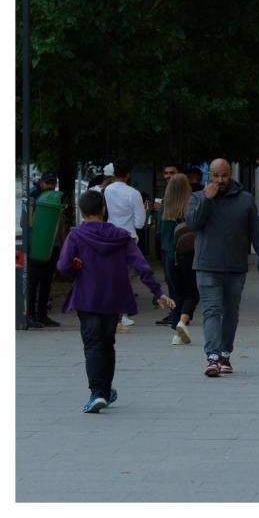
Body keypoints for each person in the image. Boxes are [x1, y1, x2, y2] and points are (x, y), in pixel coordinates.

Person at [57, 190, 175, 413]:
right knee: (107, 344)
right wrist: (158, 292)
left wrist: (76, 268)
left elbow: (63, 266)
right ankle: (106, 390)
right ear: (104, 210)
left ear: (82, 212)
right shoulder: (121, 236)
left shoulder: (76, 236)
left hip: (87, 297)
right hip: (114, 298)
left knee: (92, 345)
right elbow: (141, 265)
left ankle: (97, 392)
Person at [186, 158, 259, 377]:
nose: (220, 180)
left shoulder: (245, 200)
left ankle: (225, 353)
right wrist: (207, 199)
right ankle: (212, 356)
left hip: (235, 267)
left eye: (224, 175)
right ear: (209, 176)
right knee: (211, 310)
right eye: (215, 175)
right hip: (206, 265)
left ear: (230, 175)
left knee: (231, 312)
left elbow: (257, 232)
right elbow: (194, 224)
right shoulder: (197, 197)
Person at [103, 160, 148, 331]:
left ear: (114, 173)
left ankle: (111, 312)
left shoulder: (107, 190)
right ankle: (123, 315)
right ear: (128, 174)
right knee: (125, 278)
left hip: (110, 237)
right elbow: (139, 223)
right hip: (128, 238)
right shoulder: (134, 193)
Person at [23, 171, 65, 329]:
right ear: (41, 183)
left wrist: (64, 246)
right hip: (37, 246)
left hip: (52, 246)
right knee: (33, 282)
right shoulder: (33, 197)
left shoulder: (56, 198)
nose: (51, 186)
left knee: (47, 282)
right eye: (48, 183)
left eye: (53, 183)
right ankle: (31, 315)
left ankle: (42, 314)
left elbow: (60, 224)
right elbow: (24, 222)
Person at [161, 174, 198, 346]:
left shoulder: (164, 208)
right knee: (192, 292)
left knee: (176, 293)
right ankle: (182, 323)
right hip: (188, 254)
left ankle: (176, 329)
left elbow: (159, 234)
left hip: (170, 256)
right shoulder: (190, 206)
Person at [154, 163, 181, 326]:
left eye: (172, 172)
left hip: (175, 246)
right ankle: (178, 313)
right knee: (172, 282)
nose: (168, 176)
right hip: (166, 244)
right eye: (166, 172)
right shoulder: (163, 193)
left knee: (175, 283)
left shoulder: (181, 196)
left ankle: (178, 314)